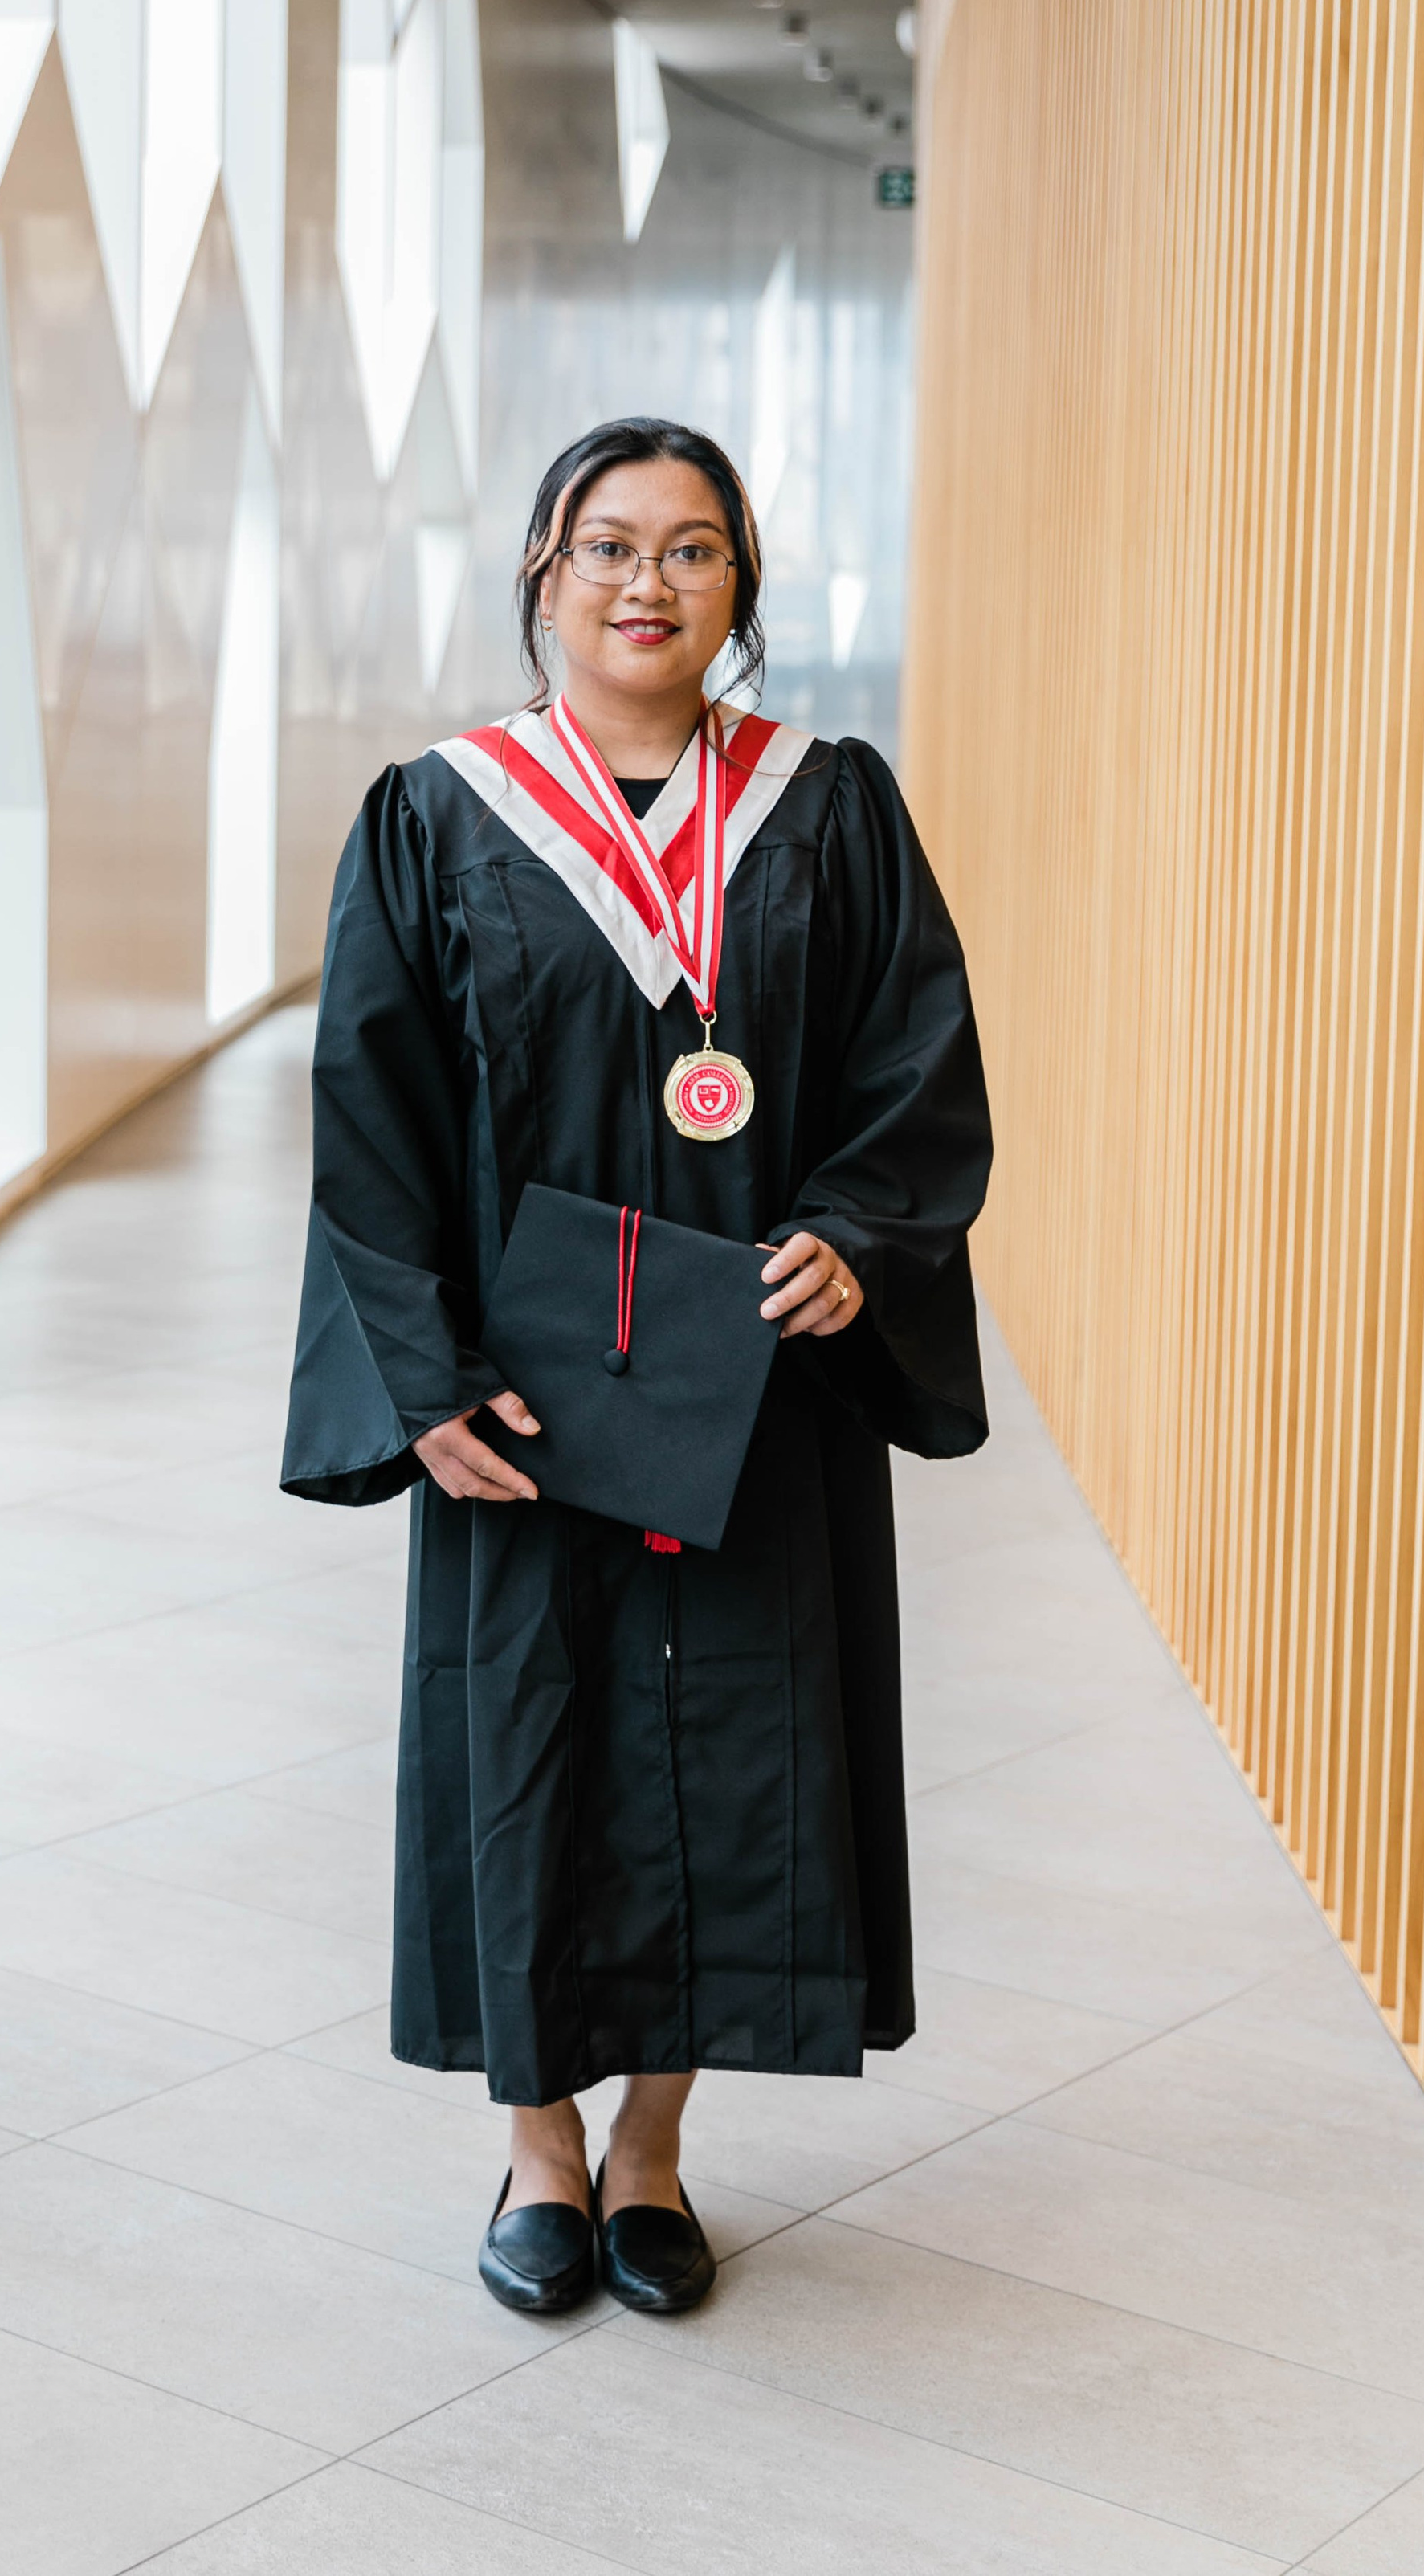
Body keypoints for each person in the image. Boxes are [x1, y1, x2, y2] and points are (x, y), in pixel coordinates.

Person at [281, 416, 991, 2317]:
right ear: (541, 573)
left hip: (745, 1383)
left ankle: (656, 2154)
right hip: (525, 1394)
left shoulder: (823, 806)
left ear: (738, 589)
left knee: (731, 1753)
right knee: (532, 1744)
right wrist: (418, 1382)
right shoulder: (439, 813)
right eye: (606, 545)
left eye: (689, 550)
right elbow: (373, 1117)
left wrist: (856, 1234)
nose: (645, 582)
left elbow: (910, 1066)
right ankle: (535, 2159)